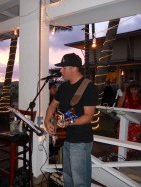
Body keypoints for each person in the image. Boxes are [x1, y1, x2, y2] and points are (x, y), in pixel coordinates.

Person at [44, 53, 98, 187]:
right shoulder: (63, 87)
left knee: (80, 180)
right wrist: (47, 120)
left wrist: (70, 122)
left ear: (74, 68)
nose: (61, 70)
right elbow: (52, 105)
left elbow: (88, 116)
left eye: (63, 67)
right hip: (65, 138)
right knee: (67, 177)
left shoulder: (88, 88)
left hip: (80, 140)